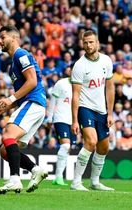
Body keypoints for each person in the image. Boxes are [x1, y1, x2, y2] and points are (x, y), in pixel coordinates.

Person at [0, 25, 48, 194]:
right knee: (5, 150)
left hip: (34, 102)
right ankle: (36, 170)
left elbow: (32, 82)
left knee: (7, 134)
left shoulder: (21, 54)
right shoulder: (12, 65)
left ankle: (14, 180)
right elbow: (23, 91)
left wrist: (10, 98)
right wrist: (7, 105)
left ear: (14, 38)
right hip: (32, 104)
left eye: (2, 37)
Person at [70, 30, 115, 191]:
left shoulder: (106, 61)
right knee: (91, 141)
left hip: (101, 110)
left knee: (104, 147)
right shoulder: (79, 65)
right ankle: (76, 182)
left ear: (97, 43)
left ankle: (94, 182)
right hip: (85, 107)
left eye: (91, 42)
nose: (88, 45)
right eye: (85, 43)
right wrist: (74, 120)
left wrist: (110, 113)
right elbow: (75, 94)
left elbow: (110, 88)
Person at [47, 75, 75, 186]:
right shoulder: (61, 83)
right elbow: (53, 101)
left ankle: (58, 177)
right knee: (65, 146)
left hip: (72, 121)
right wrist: (49, 118)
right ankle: (58, 177)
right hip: (60, 118)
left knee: (67, 149)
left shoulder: (80, 86)